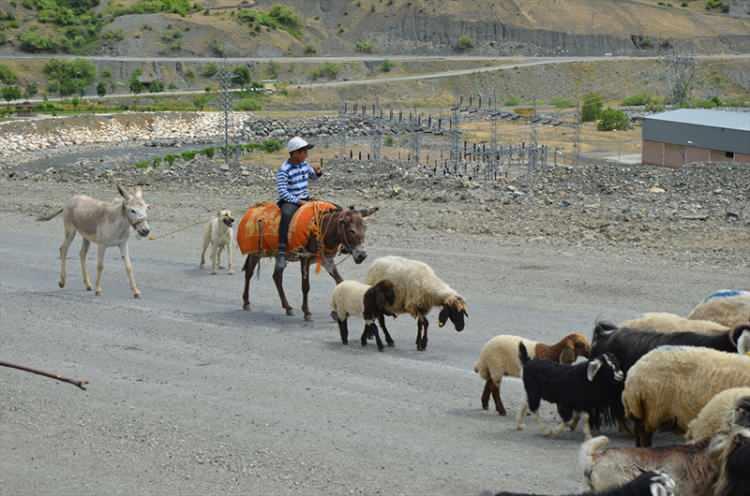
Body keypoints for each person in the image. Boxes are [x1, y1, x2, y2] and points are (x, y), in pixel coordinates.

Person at [275, 136, 322, 271]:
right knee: (286, 215)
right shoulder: (284, 169)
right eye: (304, 152)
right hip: (290, 200)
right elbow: (283, 192)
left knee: (325, 210)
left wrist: (318, 172)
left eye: (306, 151)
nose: (306, 155)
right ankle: (282, 251)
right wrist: (298, 201)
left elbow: (312, 177)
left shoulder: (304, 164)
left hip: (304, 198)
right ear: (294, 153)